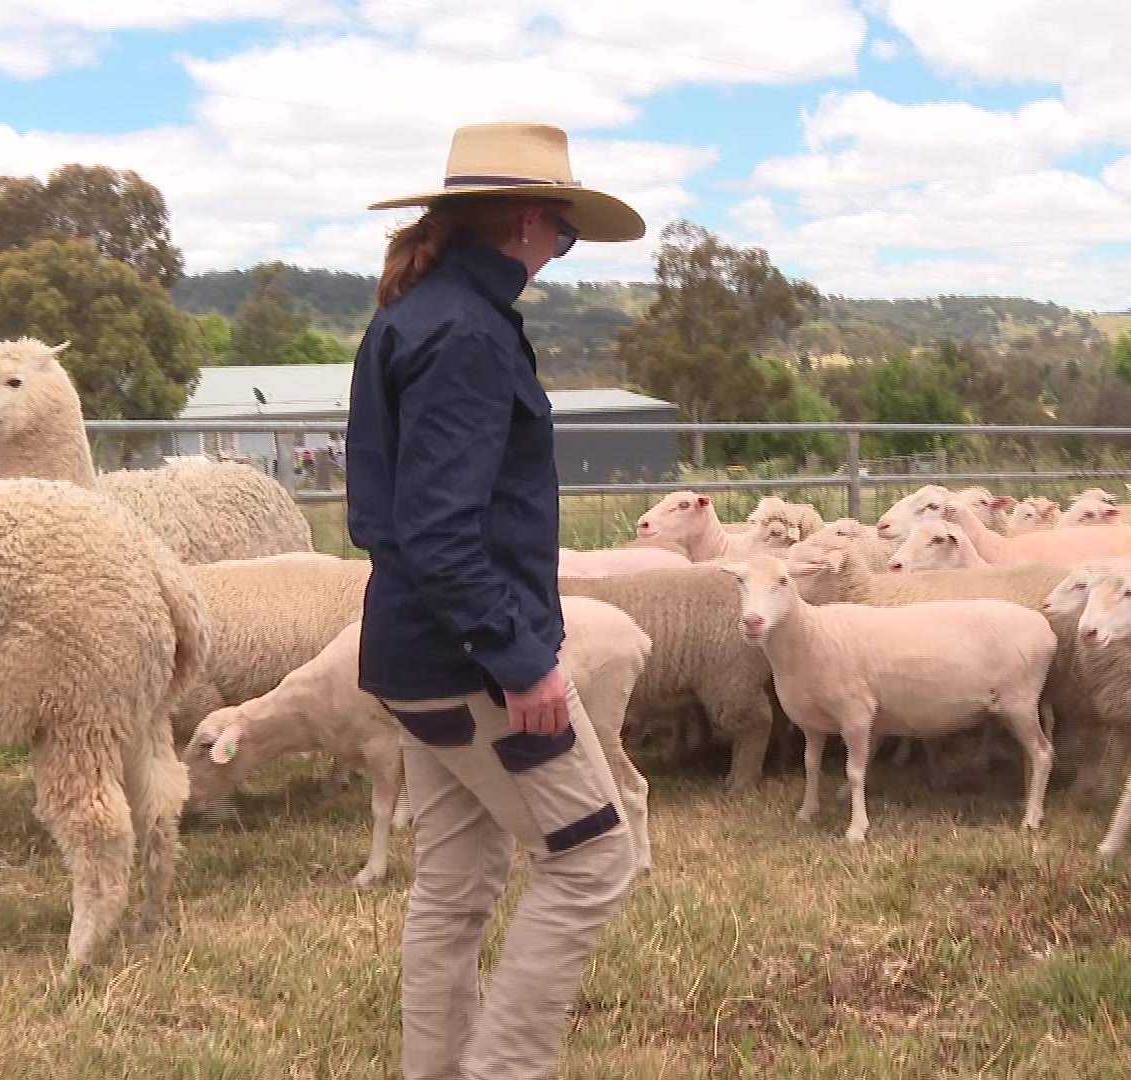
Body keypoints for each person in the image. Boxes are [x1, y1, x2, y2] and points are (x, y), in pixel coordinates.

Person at [344, 121, 647, 1080]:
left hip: (413, 656)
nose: (558, 255)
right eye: (562, 236)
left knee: (456, 883)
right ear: (525, 223)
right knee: (597, 858)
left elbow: (377, 513)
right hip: (471, 660)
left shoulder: (412, 315)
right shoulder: (466, 335)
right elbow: (440, 529)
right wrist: (519, 658)